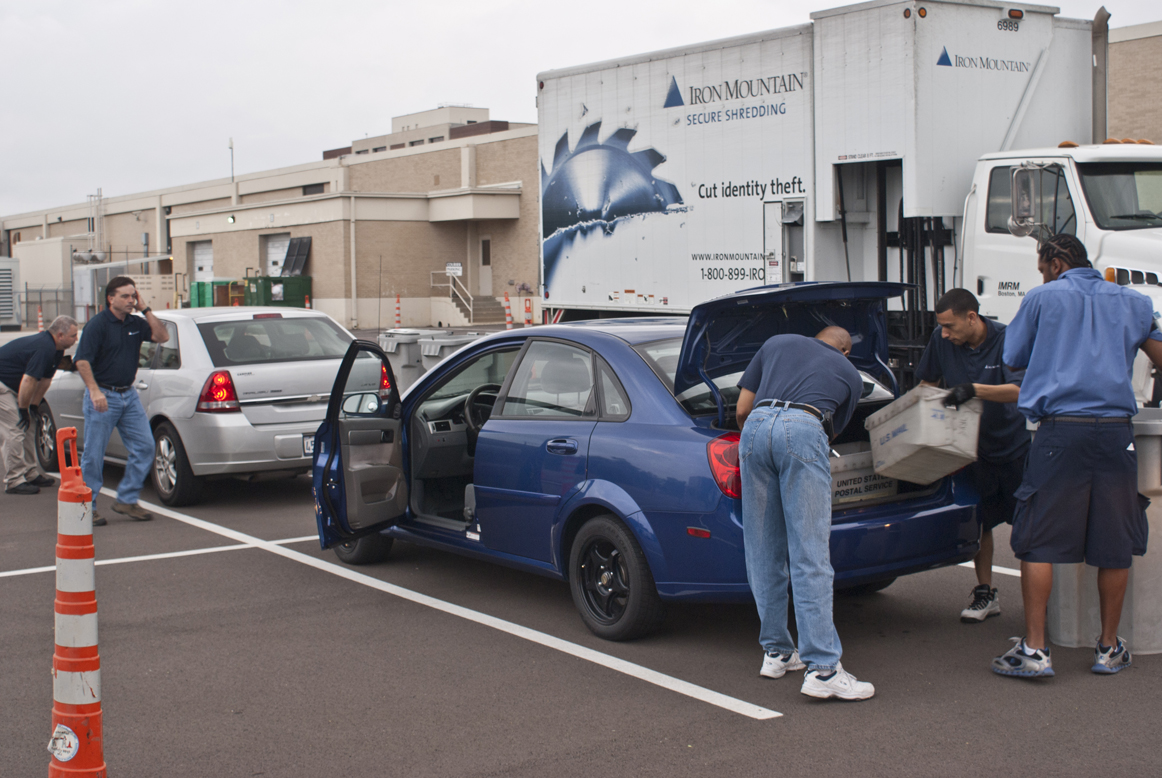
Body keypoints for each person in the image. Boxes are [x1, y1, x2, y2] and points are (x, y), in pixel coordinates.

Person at [994, 233, 1162, 678]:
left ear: (1055, 261)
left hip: (1059, 432)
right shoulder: (1135, 302)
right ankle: (1108, 648)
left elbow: (1013, 357)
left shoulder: (1042, 298)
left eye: (1041, 266)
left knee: (1038, 539)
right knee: (1115, 541)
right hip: (1115, 433)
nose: (1040, 274)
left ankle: (1034, 651)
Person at [735, 325, 874, 700]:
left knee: (762, 549)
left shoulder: (776, 340)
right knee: (809, 554)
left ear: (815, 337)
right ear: (844, 351)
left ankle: (776, 652)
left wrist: (757, 440)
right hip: (803, 426)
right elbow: (829, 433)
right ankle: (824, 670)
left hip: (755, 428)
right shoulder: (849, 373)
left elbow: (742, 409)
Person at [916, 288, 1030, 622]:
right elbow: (926, 386)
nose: (945, 333)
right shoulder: (942, 339)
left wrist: (974, 391)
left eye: (950, 325)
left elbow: (1021, 391)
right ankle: (985, 593)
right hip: (969, 449)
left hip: (1014, 447)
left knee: (1028, 528)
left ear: (972, 317)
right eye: (942, 327)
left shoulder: (1009, 339)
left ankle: (1038, 605)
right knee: (982, 523)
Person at [75, 277, 168, 526]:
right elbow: (82, 361)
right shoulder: (98, 325)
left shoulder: (136, 323)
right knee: (94, 455)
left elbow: (162, 336)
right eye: (126, 296)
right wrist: (95, 392)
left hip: (129, 395)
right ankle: (86, 508)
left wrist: (145, 309)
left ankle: (126, 500)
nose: (131, 301)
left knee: (146, 447)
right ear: (111, 298)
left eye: (133, 296)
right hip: (103, 396)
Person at [0, 316, 79, 494]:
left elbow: (45, 380)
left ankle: (30, 473)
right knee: (14, 427)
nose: (76, 339)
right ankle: (14, 480)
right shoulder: (44, 347)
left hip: (13, 386)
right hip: (2, 385)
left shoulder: (57, 350)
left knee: (30, 424)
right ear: (60, 335)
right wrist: (22, 409)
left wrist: (33, 406)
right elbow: (29, 380)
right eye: (73, 335)